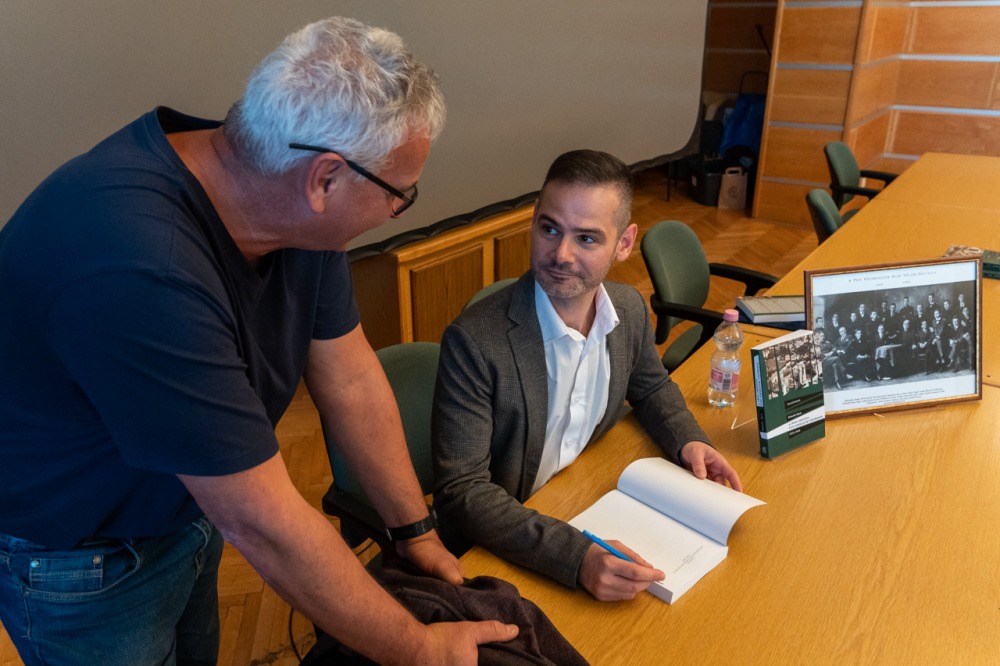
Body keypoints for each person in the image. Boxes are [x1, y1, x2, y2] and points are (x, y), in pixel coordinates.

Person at [0, 17, 518, 665]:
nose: (397, 209)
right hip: (85, 558)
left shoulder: (280, 196)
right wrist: (422, 650)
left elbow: (350, 377)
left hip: (182, 505)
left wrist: (414, 532)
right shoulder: (141, 267)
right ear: (325, 180)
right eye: (400, 194)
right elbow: (263, 523)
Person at [431, 150, 743, 602]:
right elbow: (463, 491)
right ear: (533, 221)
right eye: (549, 229)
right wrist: (576, 557)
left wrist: (688, 440)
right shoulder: (475, 341)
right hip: (505, 541)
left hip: (584, 497)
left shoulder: (628, 309)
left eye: (587, 238)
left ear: (624, 243)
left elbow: (651, 387)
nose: (561, 254)